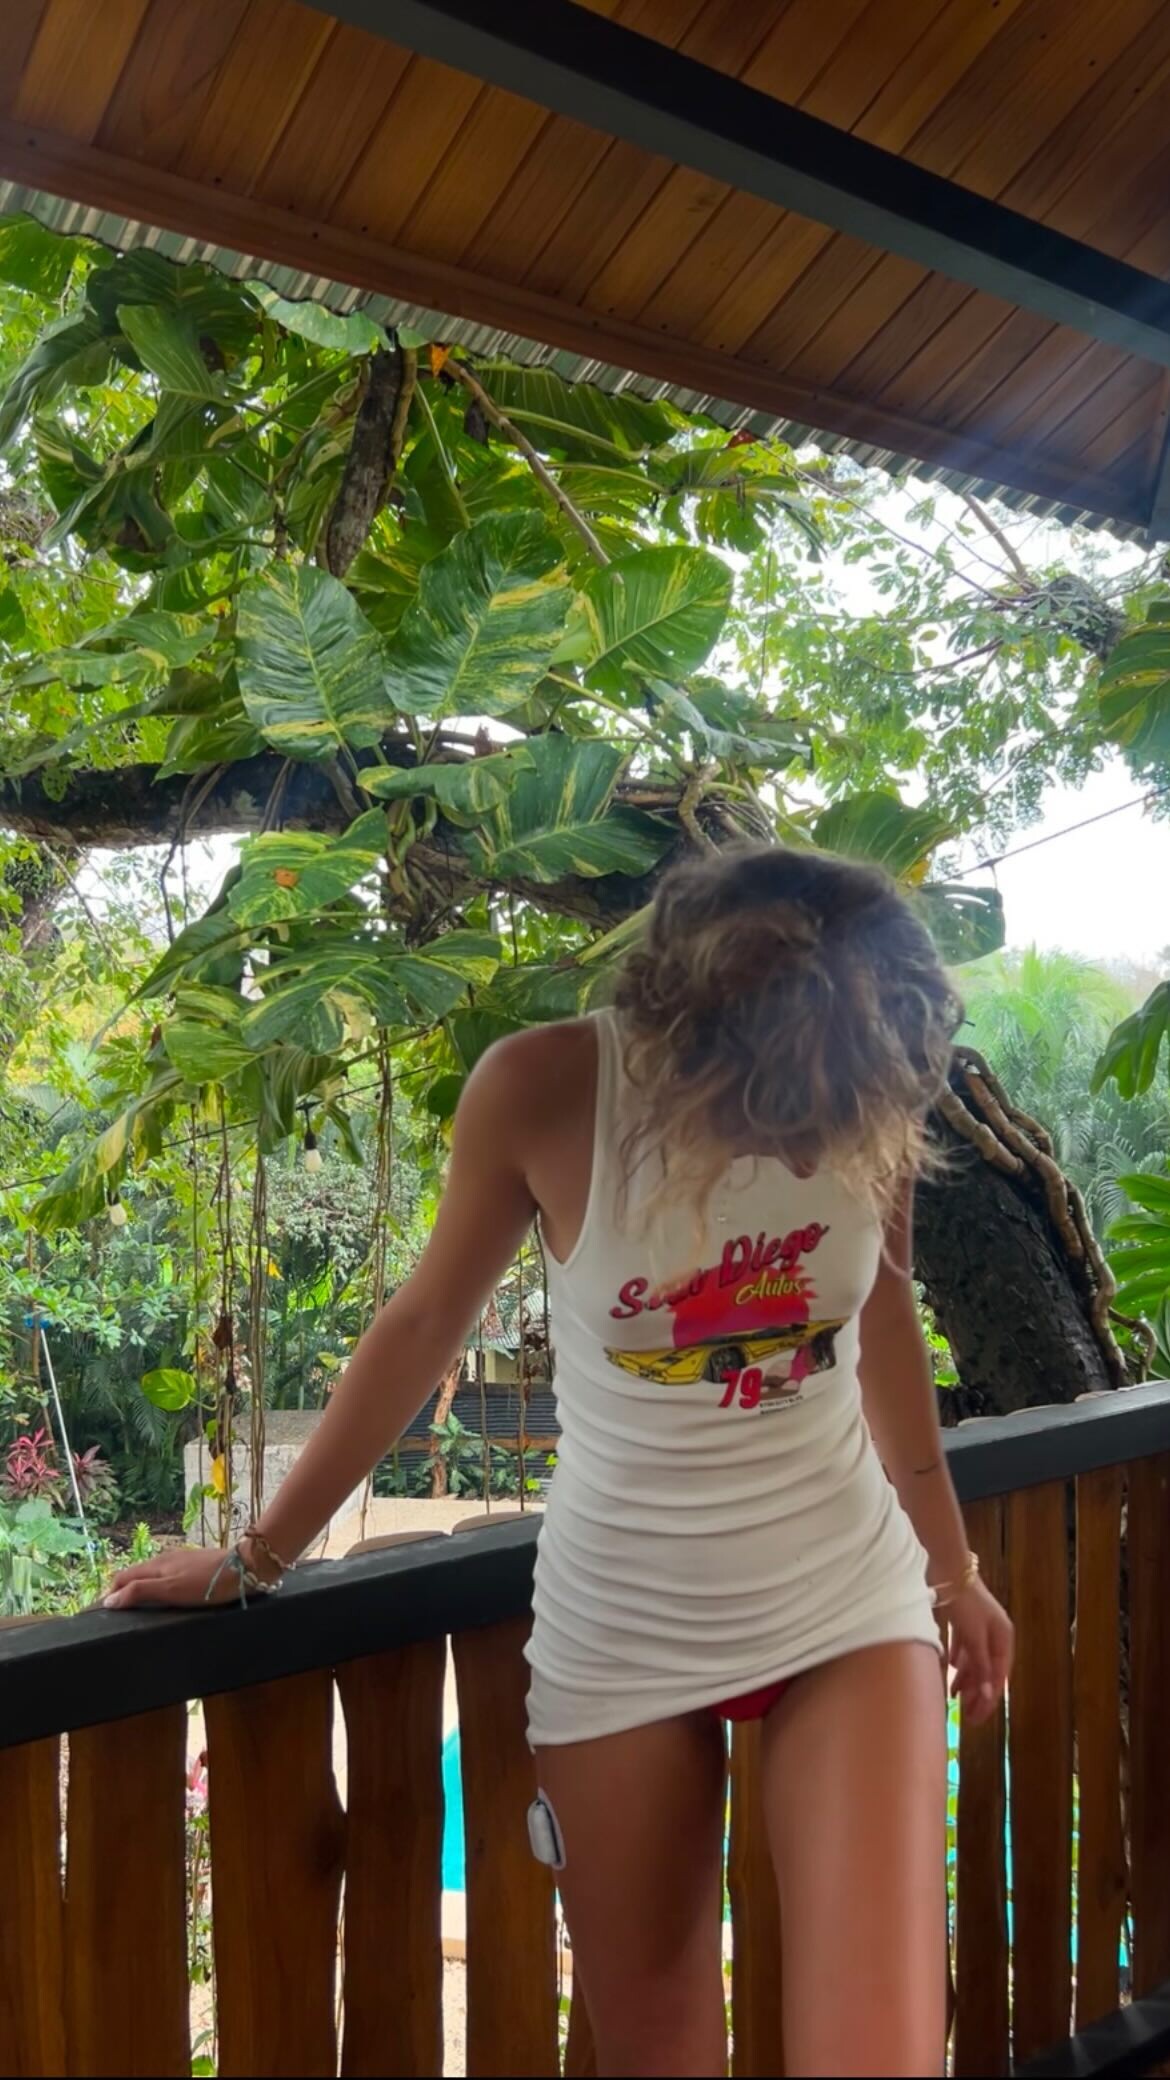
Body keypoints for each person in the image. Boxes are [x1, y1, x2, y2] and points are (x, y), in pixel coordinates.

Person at [106, 844, 1014, 2079]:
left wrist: (953, 1572)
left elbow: (885, 1320)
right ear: (689, 1043)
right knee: (661, 2052)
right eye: (783, 1116)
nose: (813, 1159)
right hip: (624, 1622)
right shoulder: (543, 1090)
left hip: (844, 1599)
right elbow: (424, 1322)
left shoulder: (866, 1075)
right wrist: (255, 1555)